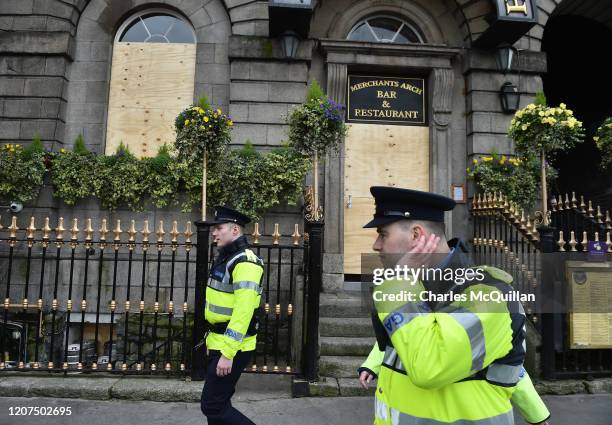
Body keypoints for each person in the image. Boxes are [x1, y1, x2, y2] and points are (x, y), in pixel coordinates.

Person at [358, 186, 550, 425]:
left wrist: (398, 283)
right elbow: (399, 342)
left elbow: (429, 366)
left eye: (383, 234)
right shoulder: (412, 288)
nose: (376, 245)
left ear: (417, 235)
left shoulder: (487, 296)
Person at [200, 206, 264, 425]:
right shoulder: (228, 257)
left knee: (212, 405)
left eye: (219, 228)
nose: (214, 233)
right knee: (218, 405)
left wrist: (227, 353)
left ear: (235, 230)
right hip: (219, 341)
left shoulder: (245, 262)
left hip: (233, 346)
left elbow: (243, 312)